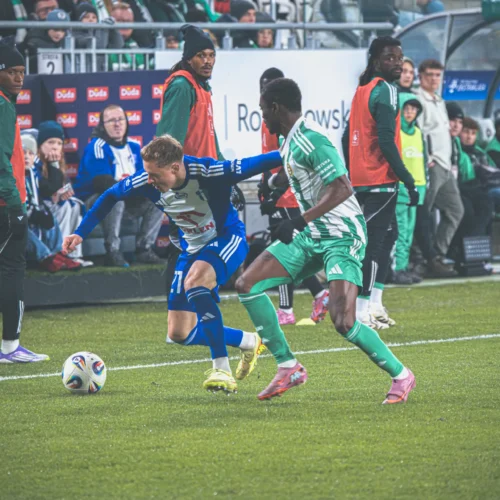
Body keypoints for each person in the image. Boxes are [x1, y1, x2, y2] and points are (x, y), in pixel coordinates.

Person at [236, 77, 416, 404]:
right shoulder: (290, 140)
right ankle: (288, 366)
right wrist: (272, 188)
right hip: (313, 234)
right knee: (248, 284)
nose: (262, 117)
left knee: (343, 321)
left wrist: (298, 220)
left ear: (276, 107)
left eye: (263, 110)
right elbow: (292, 170)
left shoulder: (313, 139)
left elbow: (342, 188)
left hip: (342, 235)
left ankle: (402, 375)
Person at [63, 135, 284, 393]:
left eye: (154, 175)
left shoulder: (208, 171)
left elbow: (254, 163)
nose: (149, 180)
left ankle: (222, 369)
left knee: (196, 282)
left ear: (175, 167)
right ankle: (248, 341)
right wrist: (80, 232)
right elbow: (111, 195)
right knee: (180, 333)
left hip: (226, 239)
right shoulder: (147, 180)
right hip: (191, 248)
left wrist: (292, 151)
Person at [342, 36, 418, 329]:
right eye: (390, 58)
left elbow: (346, 136)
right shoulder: (386, 90)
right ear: (375, 61)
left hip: (364, 180)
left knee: (388, 236)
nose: (397, 63)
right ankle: (362, 311)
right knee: (373, 245)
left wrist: (354, 170)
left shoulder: (362, 90)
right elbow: (386, 141)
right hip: (381, 181)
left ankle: (374, 304)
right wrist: (408, 179)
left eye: (399, 57)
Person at [258, 67, 329, 325]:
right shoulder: (269, 121)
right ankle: (316, 295)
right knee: (287, 248)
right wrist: (266, 187)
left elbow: (285, 162)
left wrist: (275, 192)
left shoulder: (286, 125)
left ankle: (288, 308)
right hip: (278, 191)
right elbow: (269, 160)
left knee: (285, 248)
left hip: (287, 196)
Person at [0, 38, 49, 363]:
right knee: (12, 271)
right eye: (11, 71)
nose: (19, 77)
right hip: (6, 205)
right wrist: (16, 205)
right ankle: (10, 346)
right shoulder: (3, 105)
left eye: (21, 71)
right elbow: (2, 160)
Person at [74, 105, 164, 267]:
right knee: (114, 198)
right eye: (111, 121)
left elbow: (145, 177)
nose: (117, 124)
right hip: (93, 204)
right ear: (102, 125)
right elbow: (102, 182)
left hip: (126, 200)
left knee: (158, 197)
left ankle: (144, 248)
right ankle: (112, 251)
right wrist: (133, 192)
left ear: (126, 122)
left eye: (120, 119)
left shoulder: (134, 147)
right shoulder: (97, 146)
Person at [415, 59, 464, 267]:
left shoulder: (439, 100)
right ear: (420, 76)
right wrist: (427, 159)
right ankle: (419, 257)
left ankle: (436, 254)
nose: (434, 79)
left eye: (438, 75)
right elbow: (416, 131)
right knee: (423, 213)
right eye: (430, 75)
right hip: (432, 165)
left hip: (445, 165)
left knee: (455, 210)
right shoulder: (418, 99)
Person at [33, 120, 87, 266]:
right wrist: (53, 166)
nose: (55, 147)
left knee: (74, 206)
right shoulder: (34, 163)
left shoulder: (59, 164)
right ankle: (58, 253)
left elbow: (63, 188)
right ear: (40, 145)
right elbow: (46, 190)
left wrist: (65, 193)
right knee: (64, 206)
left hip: (53, 205)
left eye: (59, 143)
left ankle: (73, 254)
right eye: (50, 142)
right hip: (39, 209)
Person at [23, 133, 80, 272]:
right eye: (23, 153)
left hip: (32, 213)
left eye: (30, 153)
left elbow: (51, 190)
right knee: (19, 225)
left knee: (54, 213)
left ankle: (58, 254)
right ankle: (46, 257)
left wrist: (54, 165)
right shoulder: (10, 174)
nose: (26, 156)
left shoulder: (32, 173)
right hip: (13, 219)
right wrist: (33, 213)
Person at [392, 94, 427, 284]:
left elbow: (423, 160)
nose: (409, 112)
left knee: (409, 232)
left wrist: (424, 185)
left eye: (413, 109)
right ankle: (397, 268)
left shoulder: (419, 133)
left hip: (417, 188)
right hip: (401, 187)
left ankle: (403, 267)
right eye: (406, 108)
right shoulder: (396, 132)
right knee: (401, 230)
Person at [73, 2, 124, 72]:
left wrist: (113, 29)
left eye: (94, 17)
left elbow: (118, 45)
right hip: (82, 74)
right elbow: (98, 46)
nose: (91, 20)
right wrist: (103, 28)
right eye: (86, 17)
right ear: (78, 19)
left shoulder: (99, 32)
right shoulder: (75, 35)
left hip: (100, 73)